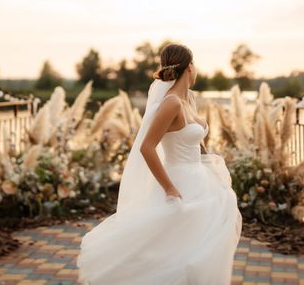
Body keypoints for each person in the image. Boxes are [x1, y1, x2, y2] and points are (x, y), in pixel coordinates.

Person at [77, 43, 242, 285]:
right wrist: (169, 188)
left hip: (201, 180)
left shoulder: (189, 100)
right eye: (194, 66)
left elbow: (195, 142)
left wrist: (211, 167)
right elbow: (147, 147)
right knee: (172, 252)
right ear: (190, 68)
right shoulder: (171, 103)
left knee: (197, 248)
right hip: (179, 181)